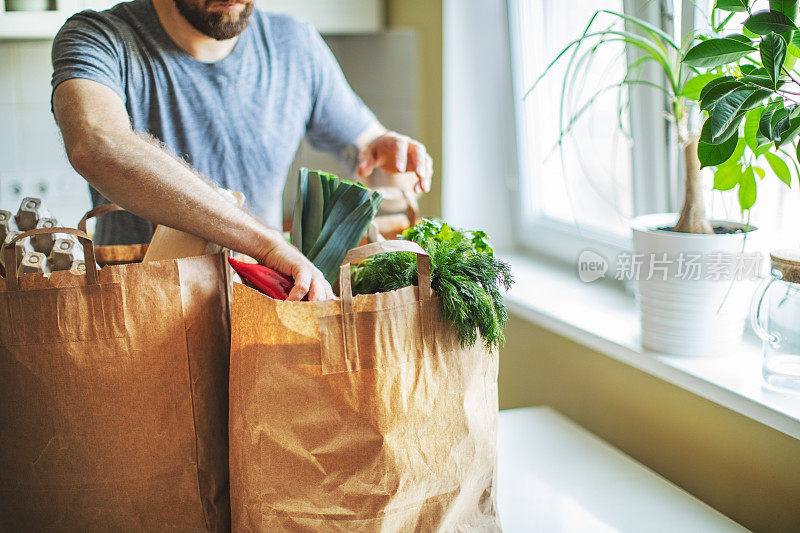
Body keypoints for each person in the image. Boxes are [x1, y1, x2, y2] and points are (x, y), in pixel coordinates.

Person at [50, 0, 433, 302]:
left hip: (266, 310)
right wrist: (266, 244)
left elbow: (371, 159)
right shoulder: (99, 37)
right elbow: (97, 144)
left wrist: (390, 158)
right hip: (142, 317)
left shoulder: (294, 44)